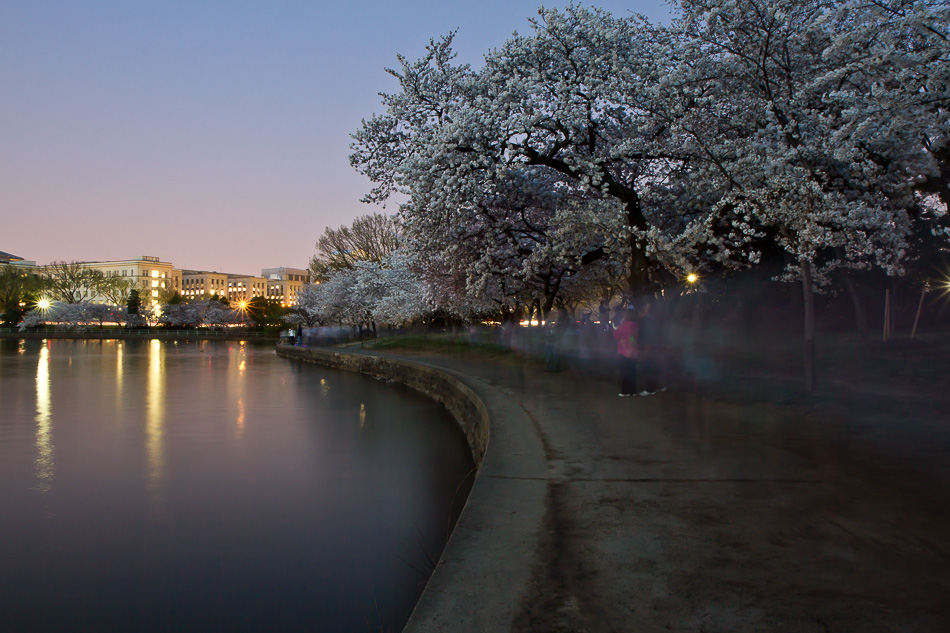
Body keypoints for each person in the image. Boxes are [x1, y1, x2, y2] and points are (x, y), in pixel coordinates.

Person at [612, 307, 640, 396]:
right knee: (632, 371)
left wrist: (615, 327)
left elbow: (616, 336)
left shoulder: (624, 325)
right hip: (633, 351)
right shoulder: (635, 325)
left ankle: (625, 391)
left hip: (623, 351)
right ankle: (633, 391)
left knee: (624, 372)